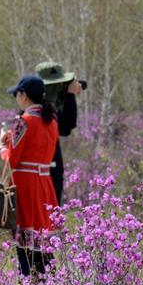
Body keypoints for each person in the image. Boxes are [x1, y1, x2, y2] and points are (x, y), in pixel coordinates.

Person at [0, 75, 59, 277]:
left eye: (17, 94)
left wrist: (1, 148)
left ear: (23, 96)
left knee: (25, 244)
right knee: (43, 244)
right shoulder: (52, 121)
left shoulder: (23, 121)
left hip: (26, 186)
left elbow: (11, 161)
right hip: (44, 183)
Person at [35, 61, 83, 205]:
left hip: (47, 164)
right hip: (45, 165)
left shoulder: (37, 105)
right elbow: (66, 126)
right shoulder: (40, 109)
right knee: (50, 206)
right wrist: (70, 96)